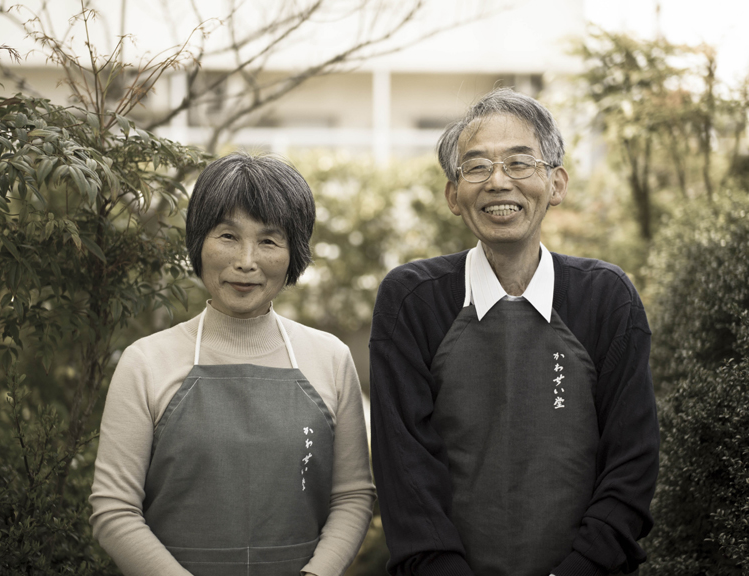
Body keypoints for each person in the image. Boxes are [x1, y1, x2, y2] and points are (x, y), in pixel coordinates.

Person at [369, 88, 659, 576]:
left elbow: (631, 464)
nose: (498, 182)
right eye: (477, 167)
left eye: (520, 163)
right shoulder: (412, 300)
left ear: (557, 183)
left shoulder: (606, 297)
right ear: (452, 196)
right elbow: (405, 473)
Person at [90, 153, 375, 576]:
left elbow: (352, 496)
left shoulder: (330, 357)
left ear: (292, 253)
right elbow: (114, 510)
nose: (246, 261)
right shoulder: (146, 361)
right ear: (198, 242)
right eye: (227, 235)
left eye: (269, 240)